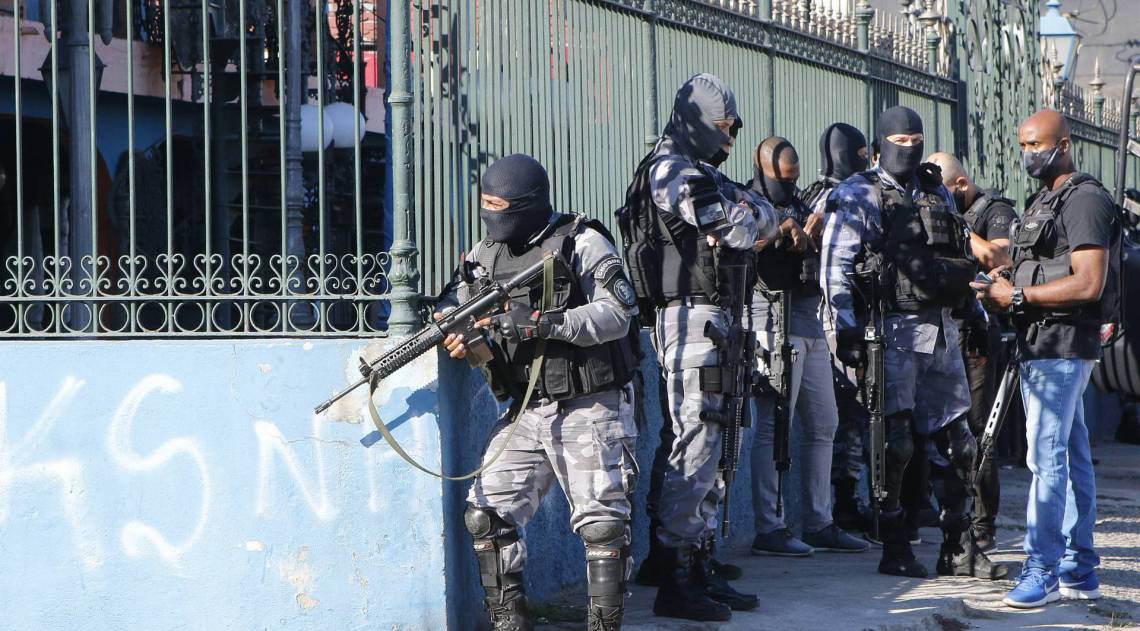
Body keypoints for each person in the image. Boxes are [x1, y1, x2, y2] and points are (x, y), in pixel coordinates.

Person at [434, 154, 641, 631]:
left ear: (527, 205)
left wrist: (545, 325)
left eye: (499, 206)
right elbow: (455, 301)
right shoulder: (486, 254)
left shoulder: (581, 242)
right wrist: (456, 328)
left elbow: (618, 312)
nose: (490, 216)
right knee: (485, 516)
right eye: (484, 205)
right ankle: (511, 623)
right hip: (528, 408)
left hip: (591, 402)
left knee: (603, 526)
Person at [821, 105, 1004, 579]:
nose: (910, 148)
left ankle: (958, 545)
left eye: (916, 140)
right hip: (891, 332)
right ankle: (896, 544)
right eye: (900, 141)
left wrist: (977, 314)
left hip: (941, 329)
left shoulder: (936, 190)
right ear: (882, 143)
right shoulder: (858, 192)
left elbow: (960, 256)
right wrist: (846, 328)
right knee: (896, 444)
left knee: (960, 444)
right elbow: (835, 264)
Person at [630, 73, 783, 622]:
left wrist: (755, 216)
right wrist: (753, 217)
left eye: (735, 127)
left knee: (716, 438)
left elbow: (764, 215)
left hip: (719, 316)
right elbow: (741, 226)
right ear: (697, 122)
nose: (732, 137)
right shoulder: (670, 170)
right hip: (690, 318)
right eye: (724, 127)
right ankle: (676, 576)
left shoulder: (702, 172)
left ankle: (697, 563)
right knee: (696, 440)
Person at [973, 109, 1120, 609]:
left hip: (1061, 346)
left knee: (1045, 459)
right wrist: (997, 281)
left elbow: (1088, 281)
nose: (1029, 153)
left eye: (1038, 144)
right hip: (1041, 344)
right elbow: (1032, 264)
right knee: (1071, 454)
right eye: (1023, 145)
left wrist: (1017, 300)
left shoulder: (1084, 200)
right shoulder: (1046, 200)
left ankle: (1043, 568)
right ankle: (1079, 566)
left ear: (1064, 143)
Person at [746, 136, 869, 557]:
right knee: (772, 426)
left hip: (810, 320)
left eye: (793, 179)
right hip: (770, 320)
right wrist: (782, 230)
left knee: (824, 423)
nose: (789, 186)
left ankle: (819, 521)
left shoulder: (802, 201)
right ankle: (770, 526)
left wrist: (813, 234)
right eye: (782, 180)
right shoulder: (747, 200)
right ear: (763, 169)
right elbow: (743, 242)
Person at [928, 151, 1016, 552]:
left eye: (945, 192)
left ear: (960, 186)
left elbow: (999, 257)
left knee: (979, 429)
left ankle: (982, 523)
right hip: (942, 328)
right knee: (939, 426)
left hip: (977, 333)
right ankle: (946, 514)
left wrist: (954, 226)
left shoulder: (993, 210)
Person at [801, 123, 875, 536]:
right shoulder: (841, 195)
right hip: (836, 316)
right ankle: (845, 502)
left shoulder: (815, 193)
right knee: (850, 412)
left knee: (850, 413)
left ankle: (849, 500)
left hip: (831, 316)